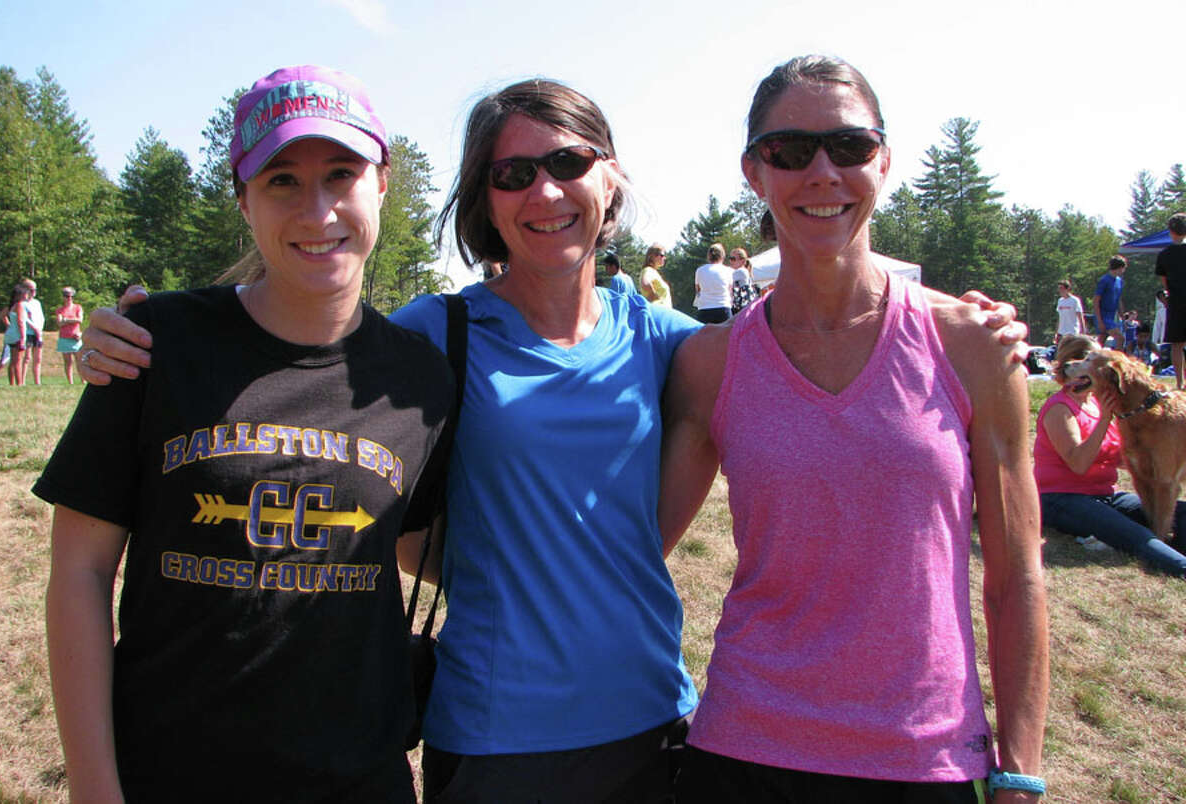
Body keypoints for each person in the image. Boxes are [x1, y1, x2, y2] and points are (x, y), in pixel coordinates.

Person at [80, 75, 1029, 804]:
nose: (546, 190)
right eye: (513, 172)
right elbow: (302, 352)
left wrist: (965, 324)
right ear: (484, 201)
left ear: (610, 179)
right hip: (496, 741)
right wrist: (139, 331)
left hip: (662, 724)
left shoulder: (674, 344)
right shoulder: (431, 334)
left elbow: (807, 343)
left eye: (570, 162)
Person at [36, 65, 455, 803]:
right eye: (282, 181)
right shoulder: (152, 344)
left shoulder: (418, 377)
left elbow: (420, 545)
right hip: (170, 774)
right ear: (242, 199)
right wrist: (95, 787)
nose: (317, 208)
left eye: (341, 173)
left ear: (382, 183)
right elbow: (79, 574)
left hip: (360, 780)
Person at [660, 55, 1048, 803]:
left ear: (885, 160)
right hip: (744, 749)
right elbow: (638, 555)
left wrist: (1021, 769)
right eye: (789, 151)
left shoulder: (973, 346)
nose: (822, 173)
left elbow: (1018, 574)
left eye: (849, 146)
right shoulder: (710, 364)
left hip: (923, 757)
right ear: (754, 172)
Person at [1034, 335, 1186, 577]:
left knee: (1182, 512)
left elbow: (1120, 458)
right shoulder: (1059, 408)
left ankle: (1174, 549)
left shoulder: (1098, 404)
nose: (1084, 364)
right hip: (1062, 499)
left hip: (1104, 496)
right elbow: (1079, 464)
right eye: (1084, 360)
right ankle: (1181, 567)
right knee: (1138, 535)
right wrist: (1106, 419)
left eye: (1091, 360)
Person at [1154, 212, 1186, 389]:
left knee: (1177, 344)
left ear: (1170, 231)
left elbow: (1164, 280)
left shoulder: (1165, 254)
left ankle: (1180, 382)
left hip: (1175, 301)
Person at [694, 243, 734, 324]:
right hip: (723, 308)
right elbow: (730, 290)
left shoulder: (700, 270)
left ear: (709, 256)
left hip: (704, 309)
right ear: (722, 256)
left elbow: (698, 289)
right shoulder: (729, 271)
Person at [1094, 255, 1126, 350]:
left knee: (1100, 342)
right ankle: (1117, 362)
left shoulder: (1119, 281)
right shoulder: (1104, 280)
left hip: (1112, 315)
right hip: (1103, 315)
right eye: (1123, 268)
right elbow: (1096, 300)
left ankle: (1096, 361)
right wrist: (1099, 321)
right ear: (1119, 268)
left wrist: (1123, 318)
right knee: (1120, 338)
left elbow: (1118, 299)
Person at [55, 287, 84, 384]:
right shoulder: (60, 310)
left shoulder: (78, 307)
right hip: (64, 338)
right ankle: (70, 382)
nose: (69, 298)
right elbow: (59, 323)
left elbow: (80, 320)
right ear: (63, 297)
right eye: (67, 296)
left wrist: (66, 320)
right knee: (68, 362)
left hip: (76, 337)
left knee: (79, 361)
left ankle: (83, 380)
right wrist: (72, 320)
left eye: (71, 296)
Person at [3, 284, 29, 386]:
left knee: (13, 361)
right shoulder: (19, 305)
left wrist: (9, 325)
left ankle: (12, 383)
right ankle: (20, 384)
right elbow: (20, 321)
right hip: (17, 335)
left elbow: (2, 315)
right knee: (18, 361)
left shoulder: (11, 305)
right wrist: (22, 338)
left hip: (10, 335)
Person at [21, 278, 45, 384]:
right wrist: (34, 328)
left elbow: (41, 317)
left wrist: (39, 330)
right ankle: (22, 380)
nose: (33, 292)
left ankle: (37, 381)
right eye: (31, 289)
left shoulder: (37, 303)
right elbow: (24, 319)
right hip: (28, 333)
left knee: (38, 358)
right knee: (27, 357)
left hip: (38, 333)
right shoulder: (22, 304)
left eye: (35, 289)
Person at [1054, 278, 1086, 343]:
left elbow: (1080, 317)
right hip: (1062, 333)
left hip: (1072, 332)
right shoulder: (1060, 301)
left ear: (1067, 289)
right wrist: (1056, 333)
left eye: (1061, 288)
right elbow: (1060, 318)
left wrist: (1083, 332)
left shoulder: (1075, 300)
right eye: (1059, 288)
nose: (1060, 290)